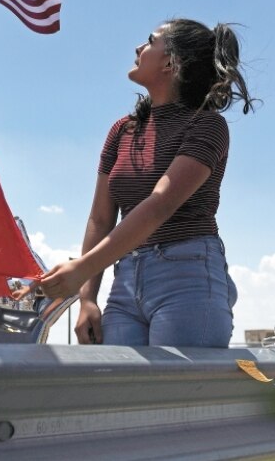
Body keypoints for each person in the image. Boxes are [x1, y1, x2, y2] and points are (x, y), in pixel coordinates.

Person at [38, 18, 255, 347]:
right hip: (125, 280)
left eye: (150, 42)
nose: (138, 48)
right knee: (122, 393)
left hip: (188, 276)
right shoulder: (121, 131)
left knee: (181, 397)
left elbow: (159, 205)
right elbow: (100, 218)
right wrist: (88, 299)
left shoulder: (208, 126)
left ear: (171, 62)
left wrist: (81, 268)